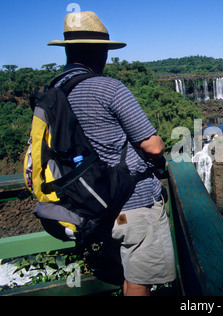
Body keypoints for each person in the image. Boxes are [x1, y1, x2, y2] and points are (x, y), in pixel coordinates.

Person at [48, 11, 176, 296]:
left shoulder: (55, 90)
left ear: (68, 50)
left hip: (94, 202)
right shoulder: (108, 87)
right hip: (134, 201)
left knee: (127, 276)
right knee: (141, 280)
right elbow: (152, 145)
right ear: (101, 52)